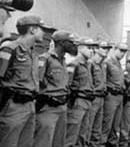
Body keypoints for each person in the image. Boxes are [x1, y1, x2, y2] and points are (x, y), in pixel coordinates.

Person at [0, 16, 46, 147]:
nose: (43, 33)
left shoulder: (34, 53)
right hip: (13, 105)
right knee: (8, 142)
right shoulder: (10, 49)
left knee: (25, 143)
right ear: (32, 29)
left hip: (30, 105)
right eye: (41, 29)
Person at [35, 30, 78, 147]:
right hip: (48, 107)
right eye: (71, 42)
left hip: (62, 107)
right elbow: (36, 83)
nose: (74, 45)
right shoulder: (45, 59)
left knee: (58, 142)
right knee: (43, 141)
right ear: (62, 43)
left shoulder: (63, 60)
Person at [65, 38, 96, 147]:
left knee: (83, 134)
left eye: (94, 48)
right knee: (72, 134)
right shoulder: (74, 64)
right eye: (89, 48)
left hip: (87, 101)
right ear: (80, 48)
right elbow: (67, 84)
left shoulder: (88, 65)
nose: (92, 51)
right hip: (77, 101)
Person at [100, 43, 128, 147]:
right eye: (121, 50)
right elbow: (103, 79)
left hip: (119, 96)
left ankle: (112, 143)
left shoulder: (119, 64)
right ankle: (102, 143)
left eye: (125, 51)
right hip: (111, 95)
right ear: (115, 49)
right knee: (107, 122)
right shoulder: (107, 62)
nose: (123, 53)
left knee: (116, 124)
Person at [80, 43, 107, 146]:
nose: (106, 51)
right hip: (93, 97)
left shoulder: (102, 65)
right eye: (103, 48)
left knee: (97, 127)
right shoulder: (90, 64)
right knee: (88, 126)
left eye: (107, 49)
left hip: (101, 97)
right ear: (97, 50)